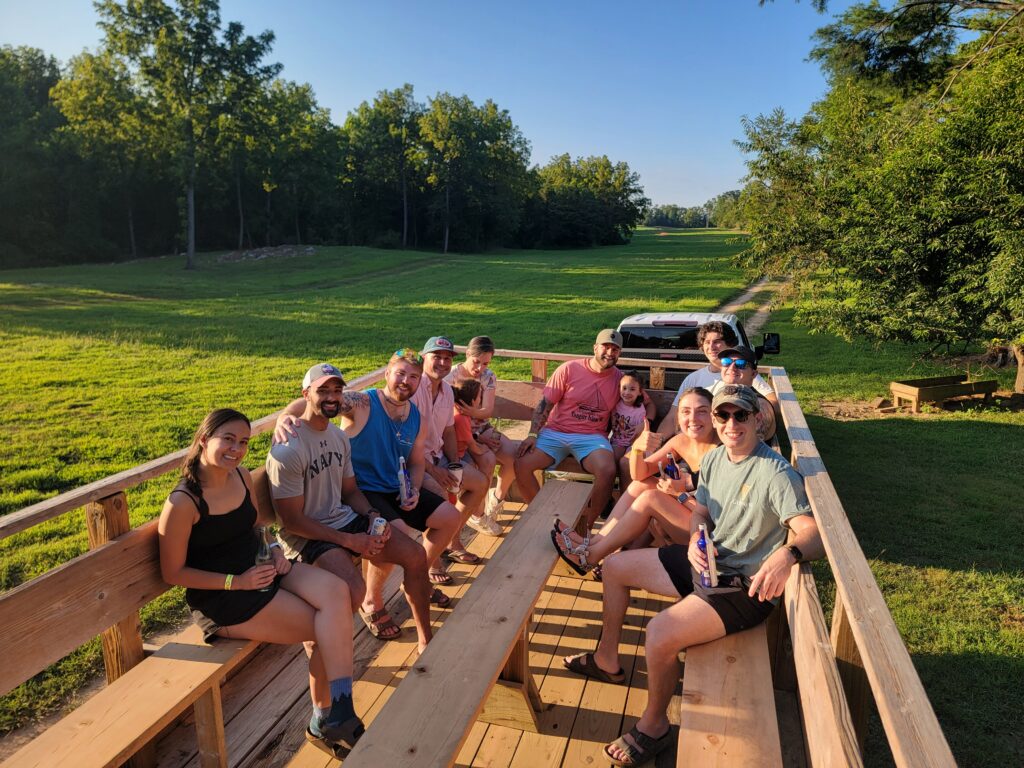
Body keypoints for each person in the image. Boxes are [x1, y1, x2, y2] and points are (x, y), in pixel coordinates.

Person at [564, 384, 822, 766]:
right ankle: (606, 658)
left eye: (741, 415)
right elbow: (701, 510)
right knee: (615, 568)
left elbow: (813, 531)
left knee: (659, 633)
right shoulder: (718, 459)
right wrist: (696, 537)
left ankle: (654, 726)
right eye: (723, 415)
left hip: (742, 588)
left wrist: (788, 554)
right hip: (707, 562)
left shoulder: (776, 473)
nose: (731, 423)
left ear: (757, 419)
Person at [158, 409, 364, 759]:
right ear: (204, 440)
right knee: (327, 624)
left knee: (338, 594)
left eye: (243, 442)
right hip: (225, 598)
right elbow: (173, 573)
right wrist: (236, 582)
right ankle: (325, 718)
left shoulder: (239, 476)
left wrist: (271, 549)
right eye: (228, 440)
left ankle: (339, 708)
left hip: (261, 568)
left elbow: (256, 527)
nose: (237, 450)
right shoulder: (184, 502)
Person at [274, 350, 462, 614]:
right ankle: (372, 601)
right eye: (400, 374)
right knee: (396, 530)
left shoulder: (416, 418)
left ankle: (415, 576)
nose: (405, 381)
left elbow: (417, 462)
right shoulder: (362, 403)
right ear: (387, 374)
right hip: (361, 490)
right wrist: (283, 418)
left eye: (413, 377)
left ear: (420, 381)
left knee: (450, 518)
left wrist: (415, 490)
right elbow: (318, 401)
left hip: (395, 488)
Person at [267, 363, 433, 652]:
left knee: (417, 555)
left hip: (342, 519)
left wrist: (372, 517)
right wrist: (349, 540)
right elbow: (292, 521)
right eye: (323, 390)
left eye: (336, 390)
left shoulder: (339, 438)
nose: (331, 397)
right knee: (353, 594)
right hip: (307, 535)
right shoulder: (288, 448)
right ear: (306, 394)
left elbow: (351, 491)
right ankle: (315, 643)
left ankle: (426, 641)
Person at [553, 387, 720, 569]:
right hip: (690, 515)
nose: (693, 419)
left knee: (651, 498)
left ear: (714, 416)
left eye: (702, 411)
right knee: (643, 485)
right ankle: (593, 543)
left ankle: (591, 557)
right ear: (678, 418)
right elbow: (639, 474)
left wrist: (679, 495)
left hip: (709, 534)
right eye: (686, 412)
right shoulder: (682, 441)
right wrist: (638, 449)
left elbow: (718, 516)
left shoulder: (723, 452)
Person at [515, 329, 623, 526]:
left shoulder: (620, 380)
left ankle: (588, 527)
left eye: (615, 349)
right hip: (555, 432)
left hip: (592, 437)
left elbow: (642, 402)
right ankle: (540, 517)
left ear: (620, 353)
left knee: (607, 470)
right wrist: (532, 434)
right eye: (606, 347)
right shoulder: (569, 369)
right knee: (522, 462)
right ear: (595, 348)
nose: (610, 352)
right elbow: (545, 405)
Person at [412, 336, 497, 565]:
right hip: (415, 463)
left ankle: (450, 539)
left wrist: (454, 463)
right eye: (436, 356)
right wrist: (434, 470)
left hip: (439, 457)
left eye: (447, 358)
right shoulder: (413, 388)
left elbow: (450, 431)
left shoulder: (448, 391)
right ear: (423, 358)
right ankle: (431, 563)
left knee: (479, 483)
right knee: (441, 500)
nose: (442, 362)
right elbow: (404, 442)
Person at [446, 336, 519, 530]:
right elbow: (451, 417)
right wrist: (477, 434)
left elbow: (487, 411)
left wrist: (469, 412)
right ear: (468, 354)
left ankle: (495, 500)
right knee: (486, 461)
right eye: (476, 362)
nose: (480, 368)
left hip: (482, 427)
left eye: (485, 363)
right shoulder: (451, 376)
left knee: (513, 457)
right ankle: (478, 515)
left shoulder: (488, 376)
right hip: (459, 432)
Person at [655, 321, 775, 438]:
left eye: (717, 342)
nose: (711, 347)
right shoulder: (693, 378)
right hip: (691, 439)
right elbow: (672, 418)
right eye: (707, 342)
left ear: (730, 344)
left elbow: (771, 401)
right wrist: (656, 443)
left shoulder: (742, 374)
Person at [709, 346, 778, 442]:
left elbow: (748, 444)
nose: (732, 368)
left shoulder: (759, 404)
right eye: (726, 362)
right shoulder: (721, 396)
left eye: (740, 364)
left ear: (753, 374)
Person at [608, 370, 656, 491]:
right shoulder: (615, 404)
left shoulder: (639, 410)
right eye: (624, 388)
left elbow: (642, 431)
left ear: (640, 392)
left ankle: (625, 492)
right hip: (618, 440)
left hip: (633, 442)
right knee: (611, 461)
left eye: (632, 389)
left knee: (627, 463)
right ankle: (609, 493)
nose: (627, 392)